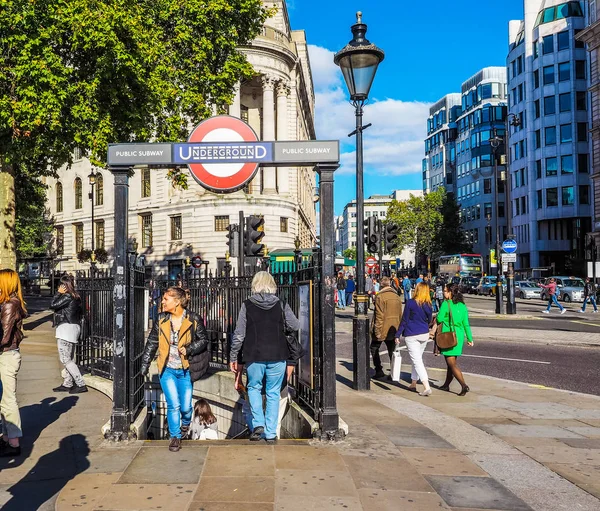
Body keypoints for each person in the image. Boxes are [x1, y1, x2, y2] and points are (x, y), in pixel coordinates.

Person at [229, 271, 299, 444]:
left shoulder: (247, 305)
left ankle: (258, 423)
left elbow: (239, 335)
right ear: (272, 284)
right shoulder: (281, 304)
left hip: (254, 354)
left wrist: (233, 356)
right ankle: (270, 433)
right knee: (274, 392)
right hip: (278, 354)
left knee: (253, 387)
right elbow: (295, 325)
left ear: (255, 284)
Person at [140, 287, 209, 452]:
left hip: (185, 370)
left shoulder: (193, 319)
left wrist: (190, 348)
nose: (162, 302)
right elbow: (152, 343)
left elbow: (204, 340)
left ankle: (186, 423)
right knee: (173, 405)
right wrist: (145, 363)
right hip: (167, 370)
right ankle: (175, 437)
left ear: (177, 302)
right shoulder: (162, 320)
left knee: (186, 408)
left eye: (166, 299)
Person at [0, 269, 27, 457]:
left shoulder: (10, 304)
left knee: (8, 399)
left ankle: (14, 442)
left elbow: (4, 335)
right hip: (7, 354)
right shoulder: (8, 302)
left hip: (6, 355)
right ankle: (7, 438)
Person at [50, 275, 87, 394]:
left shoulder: (67, 296)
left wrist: (57, 293)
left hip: (66, 329)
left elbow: (53, 305)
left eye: (60, 285)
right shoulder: (76, 297)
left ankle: (80, 384)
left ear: (64, 286)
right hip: (73, 328)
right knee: (69, 358)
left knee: (65, 359)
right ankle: (68, 383)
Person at [396, 282, 433, 396]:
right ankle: (413, 383)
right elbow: (429, 320)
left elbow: (404, 320)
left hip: (412, 334)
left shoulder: (411, 303)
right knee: (416, 359)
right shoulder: (428, 304)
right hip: (424, 334)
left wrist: (398, 334)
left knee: (417, 361)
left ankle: (426, 387)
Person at [436, 284, 473, 396]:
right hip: (459, 335)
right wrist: (470, 338)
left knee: (451, 363)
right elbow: (466, 324)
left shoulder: (446, 304)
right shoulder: (462, 305)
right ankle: (446, 385)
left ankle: (463, 385)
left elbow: (439, 319)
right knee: (451, 363)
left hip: (449, 336)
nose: (444, 293)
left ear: (451, 292)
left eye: (446, 291)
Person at [370, 277, 403, 379]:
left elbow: (379, 316)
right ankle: (393, 373)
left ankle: (379, 370)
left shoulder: (380, 297)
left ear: (381, 285)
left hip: (382, 327)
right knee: (391, 351)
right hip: (394, 328)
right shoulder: (397, 296)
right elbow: (400, 314)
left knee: (374, 348)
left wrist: (377, 331)